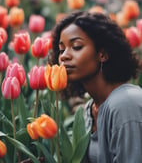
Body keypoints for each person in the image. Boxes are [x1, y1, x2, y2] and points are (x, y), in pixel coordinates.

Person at [48, 10, 142, 163]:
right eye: (61, 49)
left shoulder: (126, 104)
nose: (64, 55)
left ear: (103, 54)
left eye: (76, 46)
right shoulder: (89, 110)